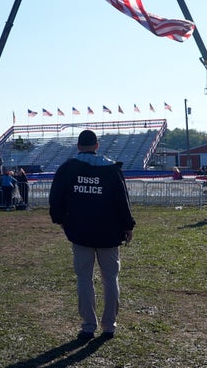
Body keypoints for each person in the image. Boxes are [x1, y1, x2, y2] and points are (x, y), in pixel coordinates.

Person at [49, 129, 136, 341]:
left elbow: (55, 198)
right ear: (97, 145)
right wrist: (128, 225)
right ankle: (109, 326)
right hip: (109, 233)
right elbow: (122, 200)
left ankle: (88, 326)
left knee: (84, 279)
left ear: (78, 146)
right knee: (110, 278)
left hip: (80, 232)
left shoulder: (68, 168)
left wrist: (61, 220)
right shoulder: (111, 169)